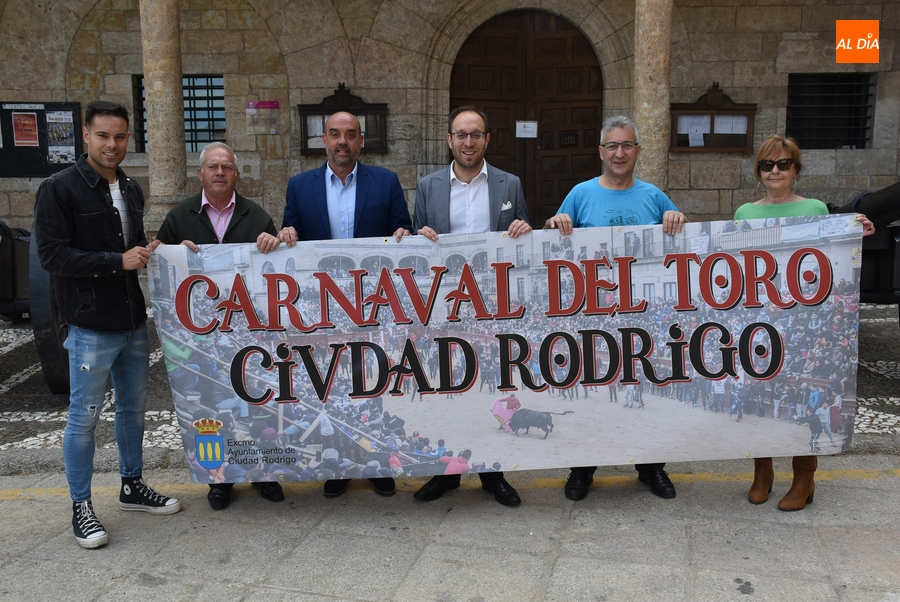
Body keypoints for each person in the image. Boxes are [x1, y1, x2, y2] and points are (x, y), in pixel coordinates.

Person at [33, 101, 181, 549]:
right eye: (103, 136)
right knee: (84, 417)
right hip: (90, 323)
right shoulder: (59, 189)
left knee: (132, 410)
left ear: (128, 138)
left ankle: (131, 484)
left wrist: (161, 251)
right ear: (85, 135)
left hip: (132, 319)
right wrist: (117, 261)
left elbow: (132, 245)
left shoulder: (132, 188)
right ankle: (81, 505)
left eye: (119, 137)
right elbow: (52, 255)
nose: (112, 145)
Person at [544, 114, 685, 502]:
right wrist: (555, 222)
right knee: (593, 386)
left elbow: (680, 244)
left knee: (647, 386)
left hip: (642, 315)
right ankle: (582, 469)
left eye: (626, 145)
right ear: (601, 152)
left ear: (638, 150)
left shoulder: (655, 197)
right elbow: (556, 241)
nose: (619, 153)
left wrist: (677, 218)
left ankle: (651, 467)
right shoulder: (580, 193)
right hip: (593, 315)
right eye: (612, 146)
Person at [278, 111, 412, 498]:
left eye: (350, 135)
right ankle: (337, 463)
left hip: (372, 307)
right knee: (332, 385)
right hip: (323, 309)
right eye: (335, 135)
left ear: (361, 141)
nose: (342, 142)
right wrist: (287, 233)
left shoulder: (385, 182)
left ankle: (378, 465)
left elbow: (401, 229)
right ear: (324, 139)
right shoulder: (300, 186)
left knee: (373, 383)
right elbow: (293, 235)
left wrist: (404, 234)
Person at [737, 134, 874, 511]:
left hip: (805, 316)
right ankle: (762, 472)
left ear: (796, 169)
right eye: (768, 165)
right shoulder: (744, 215)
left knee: (800, 405)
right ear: (759, 171)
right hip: (761, 321)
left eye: (784, 164)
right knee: (761, 396)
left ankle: (804, 477)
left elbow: (835, 250)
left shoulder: (815, 207)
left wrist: (856, 225)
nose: (776, 170)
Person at [150, 141, 283, 510]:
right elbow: (158, 259)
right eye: (213, 167)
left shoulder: (256, 216)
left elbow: (272, 270)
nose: (220, 172)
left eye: (226, 167)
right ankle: (219, 481)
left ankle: (264, 475)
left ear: (237, 174)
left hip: (250, 337)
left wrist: (272, 243)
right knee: (214, 413)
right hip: (204, 338)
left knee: (259, 407)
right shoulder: (180, 216)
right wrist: (172, 251)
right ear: (201, 173)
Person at [411, 105, 531, 507]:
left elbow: (525, 239)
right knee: (445, 388)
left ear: (486, 140)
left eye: (475, 134)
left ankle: (493, 475)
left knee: (491, 386)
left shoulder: (509, 185)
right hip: (446, 307)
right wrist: (418, 236)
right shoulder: (428, 186)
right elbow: (417, 247)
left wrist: (523, 228)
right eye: (461, 135)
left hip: (493, 306)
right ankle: (444, 474)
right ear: (449, 140)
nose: (468, 142)